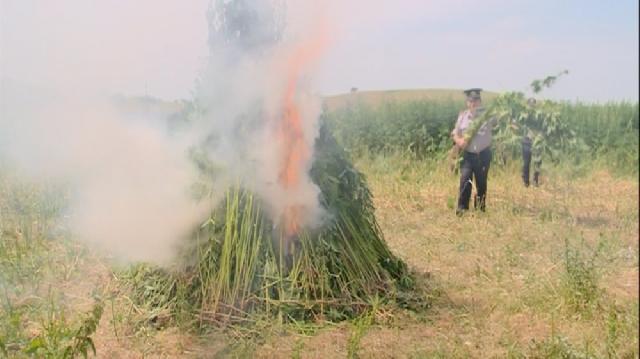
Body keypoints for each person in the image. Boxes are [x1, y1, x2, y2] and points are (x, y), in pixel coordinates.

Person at [451, 88, 495, 216]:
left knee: (481, 183)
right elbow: (455, 133)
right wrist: (459, 141)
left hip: (483, 155)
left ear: (480, 102)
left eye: (476, 100)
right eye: (471, 101)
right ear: (467, 103)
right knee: (464, 180)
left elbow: (499, 121)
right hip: (468, 156)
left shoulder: (487, 116)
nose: (474, 103)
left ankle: (480, 210)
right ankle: (462, 209)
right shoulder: (463, 117)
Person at [521, 98, 542, 187]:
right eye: (530, 104)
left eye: (533, 104)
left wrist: (539, 136)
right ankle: (526, 181)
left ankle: (535, 181)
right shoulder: (523, 115)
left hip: (536, 143)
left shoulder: (538, 116)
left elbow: (542, 128)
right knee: (526, 163)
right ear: (528, 105)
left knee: (537, 162)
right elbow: (518, 124)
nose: (532, 106)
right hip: (526, 142)